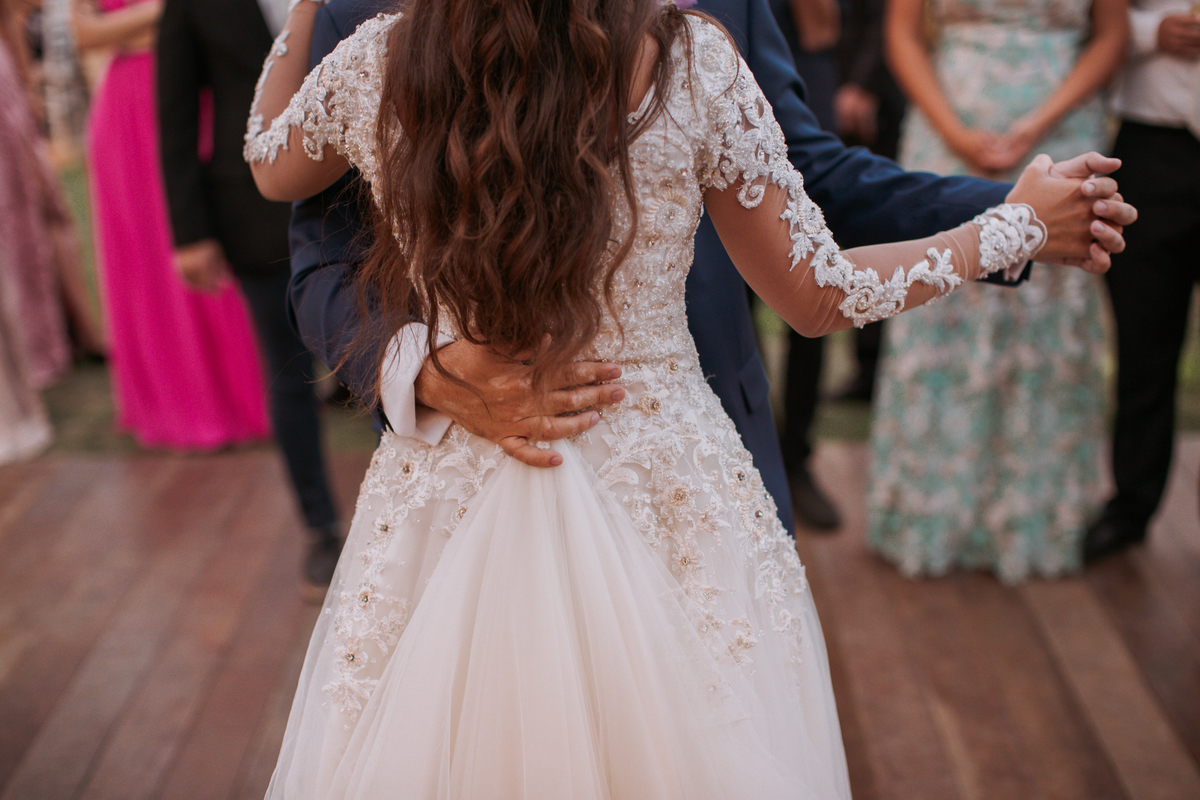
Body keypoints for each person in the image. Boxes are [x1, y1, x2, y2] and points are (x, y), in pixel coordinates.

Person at [245, 1, 1131, 795]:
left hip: (449, 494)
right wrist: (1007, 230)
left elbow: (266, 161)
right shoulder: (686, 57)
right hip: (664, 489)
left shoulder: (380, 56)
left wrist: (303, 13)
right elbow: (819, 294)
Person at [288, 0, 1135, 548]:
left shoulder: (710, 30)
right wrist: (423, 372)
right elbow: (323, 254)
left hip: (691, 469)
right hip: (462, 468)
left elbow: (809, 176)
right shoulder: (358, 22)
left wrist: (1013, 216)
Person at [865, 0, 1128, 583]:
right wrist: (955, 132)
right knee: (941, 298)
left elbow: (1112, 36)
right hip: (947, 131)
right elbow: (903, 34)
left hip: (1061, 137)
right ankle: (930, 512)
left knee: (1045, 321)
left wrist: (1039, 123)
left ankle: (1030, 518)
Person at [155, 0, 343, 593]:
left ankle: (401, 516)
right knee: (289, 377)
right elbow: (176, 117)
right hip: (252, 212)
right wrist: (191, 233)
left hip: (363, 202)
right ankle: (321, 527)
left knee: (387, 360)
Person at [73, 0, 271, 450]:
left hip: (193, 93)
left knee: (212, 234)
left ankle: (249, 393)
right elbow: (83, 35)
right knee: (147, 255)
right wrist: (175, 11)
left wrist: (129, 27)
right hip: (126, 110)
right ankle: (174, 402)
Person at [1084, 0, 1200, 561]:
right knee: (1143, 342)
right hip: (1153, 148)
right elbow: (1086, 20)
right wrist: (1154, 30)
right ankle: (1131, 503)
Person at [768, 0, 848, 531]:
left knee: (810, 273)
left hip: (802, 72)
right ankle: (757, 452)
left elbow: (828, 25)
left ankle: (796, 459)